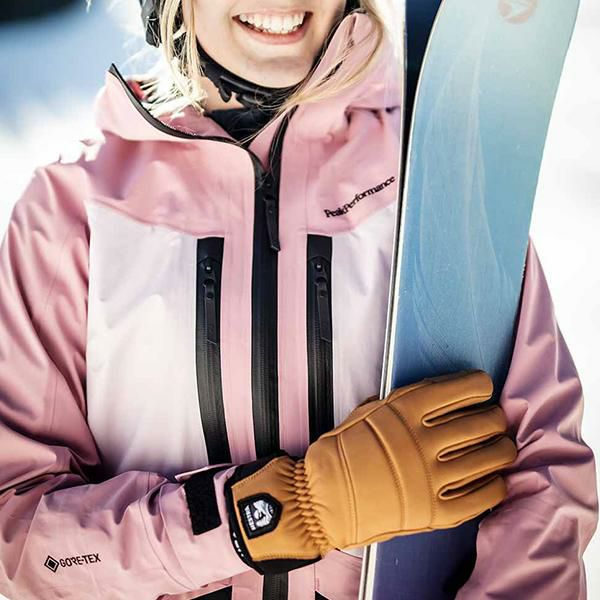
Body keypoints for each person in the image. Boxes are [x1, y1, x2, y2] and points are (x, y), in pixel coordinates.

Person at [0, 1, 595, 600]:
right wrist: (279, 512)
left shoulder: (430, 175)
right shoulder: (75, 211)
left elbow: (543, 481)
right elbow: (22, 540)